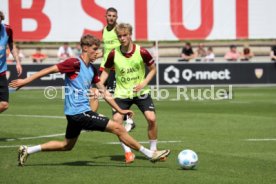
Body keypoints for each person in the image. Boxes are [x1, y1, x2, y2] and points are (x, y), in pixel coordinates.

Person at [9, 34, 170, 166]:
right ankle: (150, 154)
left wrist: (120, 110)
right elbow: (48, 70)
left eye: (97, 50)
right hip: (79, 113)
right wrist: (24, 81)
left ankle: (28, 150)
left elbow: (104, 91)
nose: (97, 53)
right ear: (85, 48)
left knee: (67, 145)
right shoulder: (73, 63)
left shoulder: (92, 69)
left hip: (76, 114)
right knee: (118, 128)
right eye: (94, 50)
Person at [100, 23, 163, 164]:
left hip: (141, 92)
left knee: (151, 118)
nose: (122, 38)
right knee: (116, 122)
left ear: (130, 35)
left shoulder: (142, 52)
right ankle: (128, 153)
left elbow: (153, 69)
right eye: (119, 36)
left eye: (125, 35)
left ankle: (153, 150)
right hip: (121, 93)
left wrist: (143, 84)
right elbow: (105, 71)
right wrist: (98, 85)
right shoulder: (113, 54)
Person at [95, 7, 135, 132]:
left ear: (116, 18)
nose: (111, 18)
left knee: (112, 96)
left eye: (114, 16)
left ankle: (128, 119)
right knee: (95, 92)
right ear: (105, 16)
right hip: (104, 66)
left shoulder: (120, 31)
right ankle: (91, 118)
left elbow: (128, 46)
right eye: (109, 15)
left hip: (115, 68)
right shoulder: (104, 31)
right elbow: (107, 50)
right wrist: (98, 54)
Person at [0, 11, 22, 113]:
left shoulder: (7, 29)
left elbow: (11, 45)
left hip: (1, 73)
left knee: (4, 105)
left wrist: (17, 62)